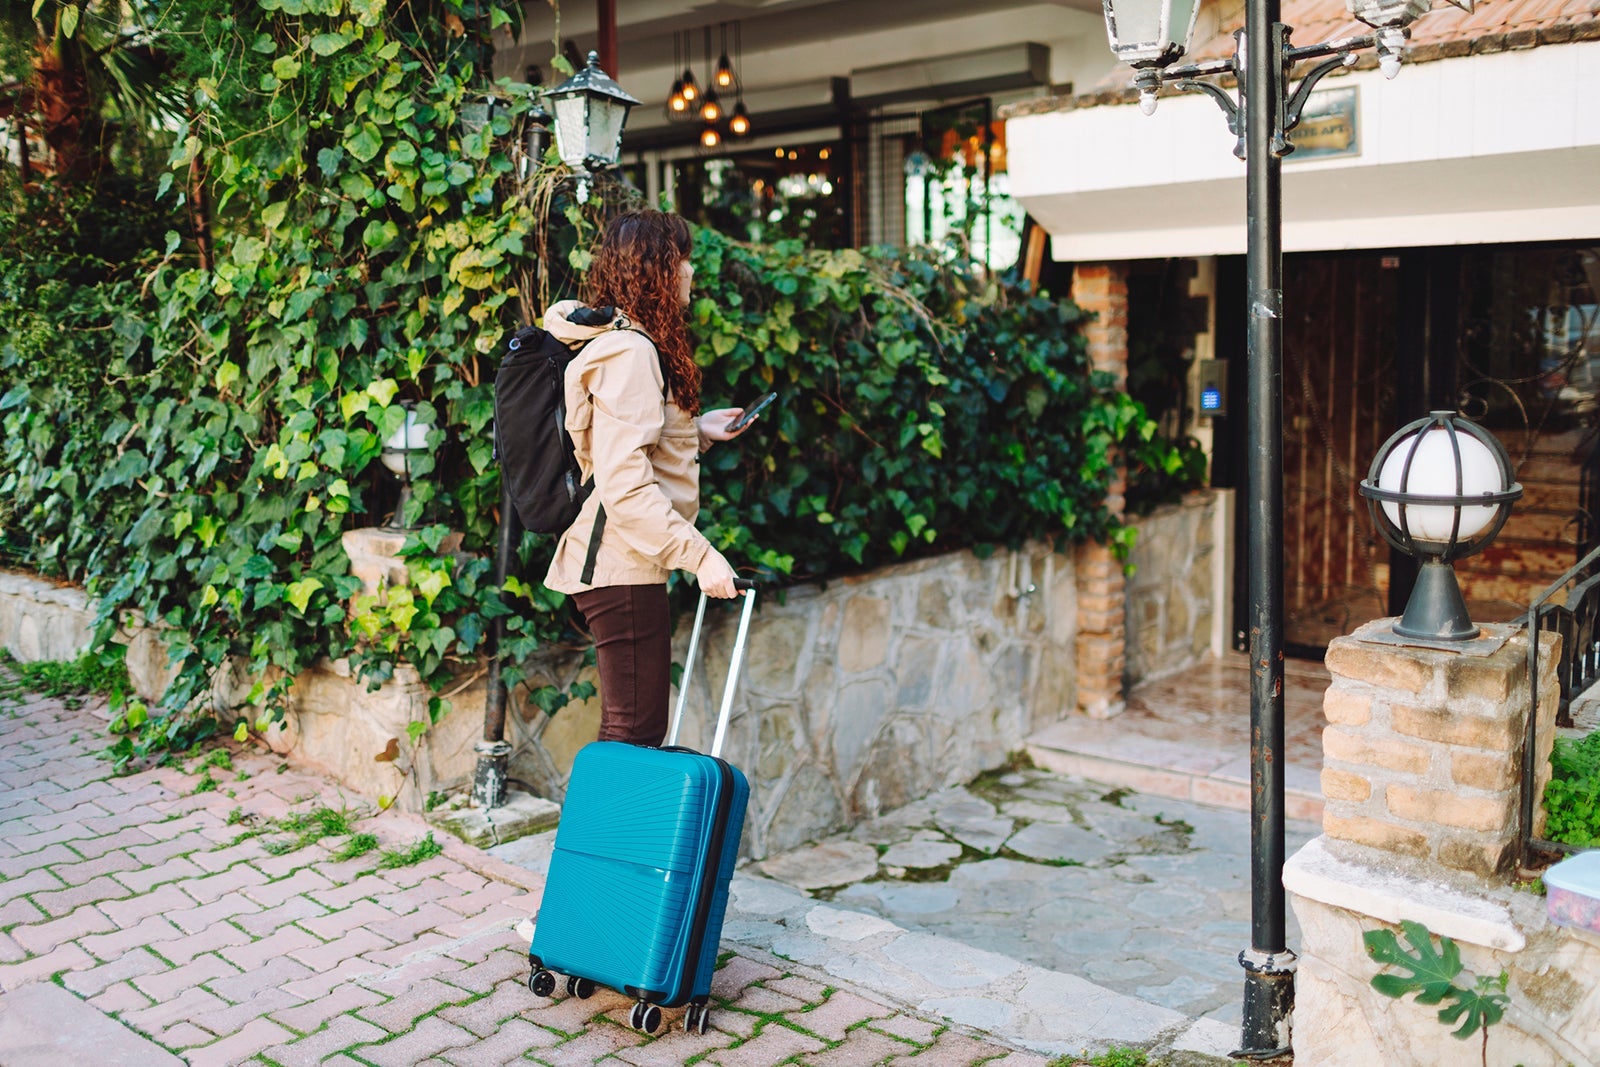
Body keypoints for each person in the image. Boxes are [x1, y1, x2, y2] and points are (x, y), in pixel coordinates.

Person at [540, 210, 749, 747]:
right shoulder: (631, 352)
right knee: (633, 734)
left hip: (623, 557)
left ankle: (607, 834)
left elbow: (630, 449)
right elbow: (624, 485)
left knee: (631, 731)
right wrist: (702, 557)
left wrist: (697, 431)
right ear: (659, 268)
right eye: (683, 259)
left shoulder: (626, 342)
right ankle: (600, 836)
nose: (691, 272)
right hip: (620, 560)